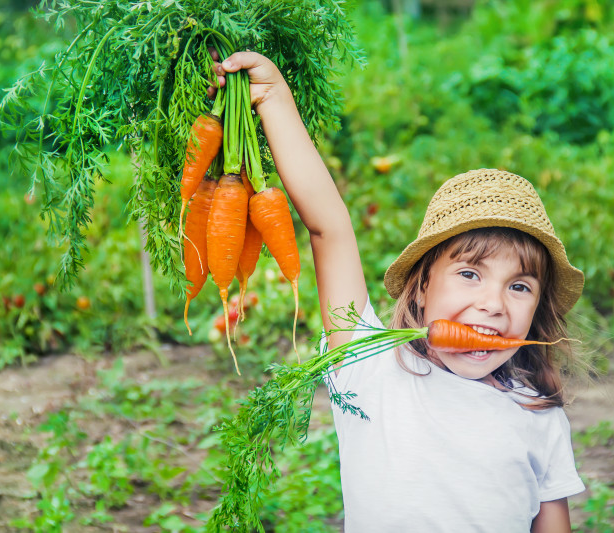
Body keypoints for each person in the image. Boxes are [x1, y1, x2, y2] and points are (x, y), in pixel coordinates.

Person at [210, 51, 586, 533]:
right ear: (423, 285)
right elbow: (328, 228)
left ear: (537, 310)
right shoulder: (369, 367)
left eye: (518, 286)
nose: (493, 303)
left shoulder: (536, 411)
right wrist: (274, 98)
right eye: (470, 274)